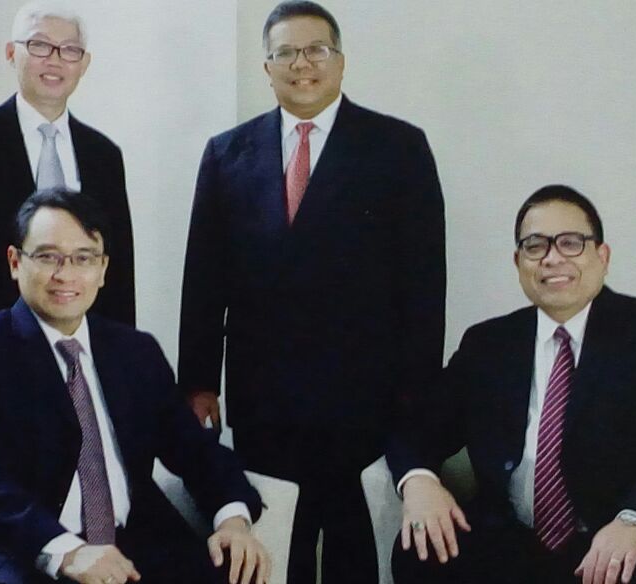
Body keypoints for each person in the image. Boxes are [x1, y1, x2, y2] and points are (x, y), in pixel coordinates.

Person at [177, 1, 446, 582]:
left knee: (357, 554)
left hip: (365, 401)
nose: (302, 64)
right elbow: (203, 281)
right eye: (286, 53)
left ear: (341, 61)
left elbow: (425, 288)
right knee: (273, 554)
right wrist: (197, 383)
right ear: (267, 67)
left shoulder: (398, 148)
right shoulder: (227, 153)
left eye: (316, 50)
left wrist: (418, 400)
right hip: (264, 402)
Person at [0, 188, 270, 584]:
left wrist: (233, 520)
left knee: (239, 573)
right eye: (47, 257)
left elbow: (196, 450)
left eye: (83, 258)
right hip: (37, 553)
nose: (65, 274)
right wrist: (68, 552)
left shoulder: (135, 351)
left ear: (103, 268)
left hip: (140, 548)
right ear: (15, 262)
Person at [389, 185, 636, 584]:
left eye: (571, 243)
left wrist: (635, 520)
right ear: (518, 261)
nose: (553, 258)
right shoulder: (489, 344)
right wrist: (419, 482)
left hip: (617, 536)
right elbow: (418, 423)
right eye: (535, 245)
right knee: (419, 550)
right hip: (513, 539)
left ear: (602, 256)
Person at [0, 0, 135, 357]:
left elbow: (118, 275)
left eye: (70, 50)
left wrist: (122, 366)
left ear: (84, 64)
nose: (55, 60)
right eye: (39, 45)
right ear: (10, 54)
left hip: (80, 357)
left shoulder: (103, 155)